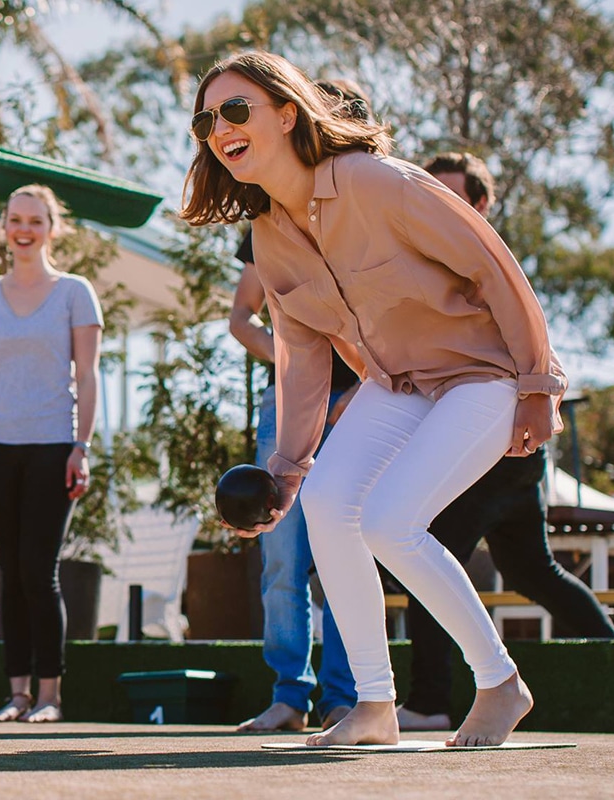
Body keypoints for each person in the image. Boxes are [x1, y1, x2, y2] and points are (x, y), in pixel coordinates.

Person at [181, 51, 565, 748]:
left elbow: (493, 263)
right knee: (328, 506)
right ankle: (375, 708)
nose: (220, 127)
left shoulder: (373, 181)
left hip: (484, 374)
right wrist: (288, 469)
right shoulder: (269, 237)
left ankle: (502, 683)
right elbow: (302, 361)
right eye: (207, 119)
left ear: (288, 113)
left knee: (391, 522)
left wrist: (539, 384)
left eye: (237, 109)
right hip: (400, 386)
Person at [394, 153, 614, 734]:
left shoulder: (483, 259)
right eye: (433, 195)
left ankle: (428, 700)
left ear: (482, 204)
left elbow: (528, 334)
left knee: (421, 548)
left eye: (455, 196)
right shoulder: (429, 257)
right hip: (509, 452)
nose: (442, 206)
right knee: (532, 569)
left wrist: (539, 396)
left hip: (502, 442)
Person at [228, 79, 370, 733]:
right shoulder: (271, 218)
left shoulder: (372, 207)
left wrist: (363, 387)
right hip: (290, 405)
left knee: (349, 547)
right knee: (283, 553)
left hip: (372, 403)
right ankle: (291, 694)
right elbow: (241, 319)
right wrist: (296, 363)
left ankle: (349, 696)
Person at [0, 184, 103, 724]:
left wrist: (81, 447)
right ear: (5, 227)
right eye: (15, 219)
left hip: (52, 446)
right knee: (8, 571)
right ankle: (16, 694)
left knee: (38, 570)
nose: (24, 229)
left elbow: (87, 376)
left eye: (35, 221)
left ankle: (49, 697)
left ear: (51, 228)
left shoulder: (75, 293)